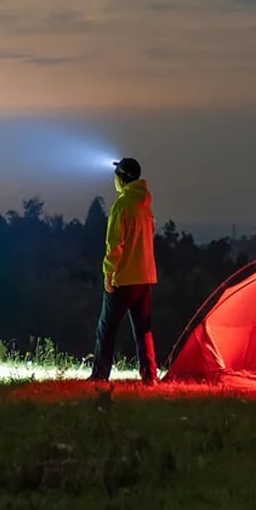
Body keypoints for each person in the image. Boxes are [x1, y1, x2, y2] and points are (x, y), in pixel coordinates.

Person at [90, 157, 159, 385]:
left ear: (122, 177)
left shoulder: (122, 205)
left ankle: (100, 375)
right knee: (143, 329)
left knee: (106, 328)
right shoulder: (145, 206)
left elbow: (114, 244)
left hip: (124, 278)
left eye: (116, 175)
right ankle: (150, 375)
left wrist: (109, 273)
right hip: (145, 276)